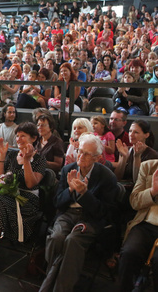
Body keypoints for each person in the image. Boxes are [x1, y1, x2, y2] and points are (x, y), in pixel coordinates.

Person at [39, 133, 118, 292]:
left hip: (90, 218)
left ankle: (57, 288)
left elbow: (105, 213)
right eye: (80, 151)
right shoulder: (69, 169)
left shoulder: (107, 177)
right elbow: (57, 202)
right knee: (56, 237)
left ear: (97, 158)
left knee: (73, 240)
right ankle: (52, 281)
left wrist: (84, 194)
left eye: (86, 154)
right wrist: (70, 189)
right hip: (68, 214)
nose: (81, 156)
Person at [0, 122, 46, 273]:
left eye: (23, 136)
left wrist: (26, 161)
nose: (19, 139)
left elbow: (30, 184)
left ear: (33, 139)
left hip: (27, 200)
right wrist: (2, 156)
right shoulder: (12, 155)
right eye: (17, 136)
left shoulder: (39, 160)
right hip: (8, 197)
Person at [118, 159, 158, 292]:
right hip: (145, 223)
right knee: (129, 253)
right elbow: (134, 201)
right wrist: (152, 191)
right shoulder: (148, 166)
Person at [115, 120, 158, 184]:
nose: (131, 135)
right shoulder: (126, 149)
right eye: (130, 131)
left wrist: (137, 157)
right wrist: (124, 158)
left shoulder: (153, 155)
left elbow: (138, 182)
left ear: (146, 135)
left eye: (136, 132)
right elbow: (117, 177)